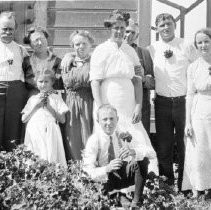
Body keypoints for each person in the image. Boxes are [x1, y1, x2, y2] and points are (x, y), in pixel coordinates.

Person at [90, 10, 156, 172]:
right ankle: (109, 184)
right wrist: (101, 108)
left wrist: (138, 106)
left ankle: (137, 183)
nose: (119, 32)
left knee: (134, 140)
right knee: (108, 141)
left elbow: (137, 80)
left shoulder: (130, 51)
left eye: (122, 28)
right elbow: (95, 82)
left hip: (128, 104)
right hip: (107, 102)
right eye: (116, 28)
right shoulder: (101, 50)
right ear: (110, 29)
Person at [148, 13, 197, 191]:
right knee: (164, 146)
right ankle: (166, 185)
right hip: (161, 104)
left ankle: (185, 186)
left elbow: (198, 67)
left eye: (168, 24)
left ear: (174, 25)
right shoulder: (152, 49)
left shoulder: (186, 45)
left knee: (185, 145)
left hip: (184, 102)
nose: (166, 28)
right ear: (157, 28)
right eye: (162, 25)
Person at [83, 104, 152, 208]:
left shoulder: (122, 134)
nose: (109, 123)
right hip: (104, 180)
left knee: (143, 160)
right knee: (101, 201)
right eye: (104, 119)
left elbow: (151, 153)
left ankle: (136, 203)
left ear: (117, 119)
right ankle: (115, 196)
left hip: (121, 175)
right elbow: (87, 171)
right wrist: (107, 168)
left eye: (112, 118)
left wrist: (133, 151)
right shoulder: (94, 140)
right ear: (98, 121)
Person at [182, 28, 211, 199]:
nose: (203, 45)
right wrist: (188, 122)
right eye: (199, 42)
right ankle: (200, 188)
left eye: (206, 41)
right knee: (200, 150)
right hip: (199, 111)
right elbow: (190, 95)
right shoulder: (193, 67)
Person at [0, 11, 34, 151]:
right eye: (4, 29)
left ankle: (11, 161)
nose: (8, 32)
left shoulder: (21, 50)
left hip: (16, 92)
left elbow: (32, 71)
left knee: (13, 127)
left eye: (11, 29)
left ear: (15, 29)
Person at [22, 69, 68, 166]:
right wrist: (37, 106)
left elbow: (62, 120)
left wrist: (49, 107)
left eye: (46, 81)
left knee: (50, 156)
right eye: (40, 81)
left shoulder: (56, 98)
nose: (43, 84)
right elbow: (24, 119)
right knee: (36, 156)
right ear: (36, 82)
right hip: (34, 131)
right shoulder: (33, 99)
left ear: (52, 82)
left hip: (50, 131)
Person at [61, 30, 94, 160]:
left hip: (88, 102)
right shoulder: (66, 62)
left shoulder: (95, 61)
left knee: (88, 136)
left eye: (84, 43)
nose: (80, 47)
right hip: (69, 104)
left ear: (91, 44)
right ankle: (75, 172)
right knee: (71, 138)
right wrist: (68, 56)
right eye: (77, 44)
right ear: (72, 46)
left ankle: (90, 170)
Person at [124, 18, 154, 135]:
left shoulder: (144, 52)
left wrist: (143, 77)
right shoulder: (113, 50)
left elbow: (153, 83)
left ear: (137, 35)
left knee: (141, 138)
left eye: (133, 32)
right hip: (121, 100)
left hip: (140, 104)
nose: (129, 35)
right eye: (127, 31)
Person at [23, 27, 64, 96]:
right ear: (30, 44)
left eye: (42, 39)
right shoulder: (26, 62)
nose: (40, 43)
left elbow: (60, 85)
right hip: (31, 102)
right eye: (36, 40)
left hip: (52, 101)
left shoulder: (58, 62)